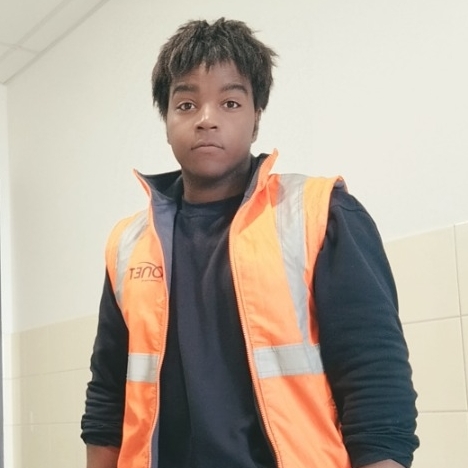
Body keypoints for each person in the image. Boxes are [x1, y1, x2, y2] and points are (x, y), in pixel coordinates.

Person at [81, 18, 419, 468]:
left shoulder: (321, 214)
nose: (206, 119)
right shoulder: (128, 243)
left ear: (256, 117)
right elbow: (107, 395)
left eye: (230, 102)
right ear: (166, 120)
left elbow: (376, 382)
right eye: (186, 104)